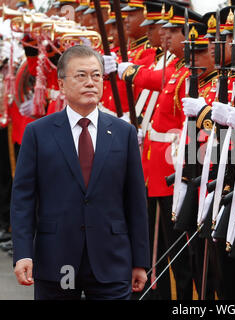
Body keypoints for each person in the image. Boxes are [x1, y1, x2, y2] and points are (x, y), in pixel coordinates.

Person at [10, 45, 150, 300]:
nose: (90, 83)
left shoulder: (123, 133)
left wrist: (140, 260)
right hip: (57, 258)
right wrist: (23, 253)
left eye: (96, 76)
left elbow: (135, 201)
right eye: (81, 76)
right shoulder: (38, 133)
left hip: (111, 260)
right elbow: (23, 199)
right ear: (62, 85)